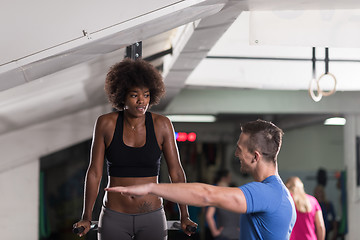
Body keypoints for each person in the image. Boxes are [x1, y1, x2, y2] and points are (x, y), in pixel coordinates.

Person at [106, 119, 297, 240]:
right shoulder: (280, 193)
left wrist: (149, 187)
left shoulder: (267, 193)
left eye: (239, 148)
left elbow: (207, 195)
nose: (236, 153)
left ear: (255, 156)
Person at [73, 58, 197, 240]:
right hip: (114, 215)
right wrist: (86, 216)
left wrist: (184, 215)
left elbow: (176, 172)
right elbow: (94, 173)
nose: (141, 101)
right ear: (121, 95)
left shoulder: (162, 125)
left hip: (152, 215)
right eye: (134, 95)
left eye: (146, 95)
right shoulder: (106, 123)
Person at [205, 169, 240, 240]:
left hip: (222, 230)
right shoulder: (237, 199)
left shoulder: (212, 190)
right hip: (235, 233)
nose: (230, 180)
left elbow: (208, 215)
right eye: (229, 178)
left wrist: (215, 232)